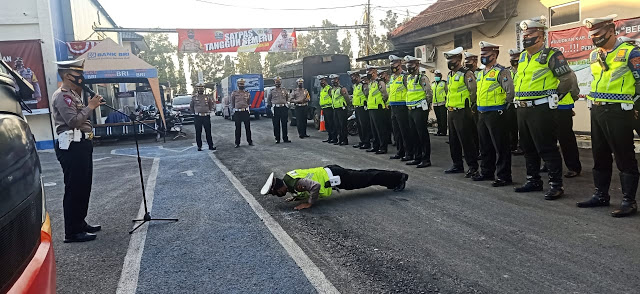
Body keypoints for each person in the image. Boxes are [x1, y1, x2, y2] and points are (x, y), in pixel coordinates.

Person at [577, 15, 640, 217]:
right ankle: (600, 195)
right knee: (599, 155)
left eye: (598, 34)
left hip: (619, 111)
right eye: (592, 35)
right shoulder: (594, 55)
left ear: (611, 31)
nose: (594, 38)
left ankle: (629, 201)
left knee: (624, 156)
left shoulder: (631, 52)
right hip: (597, 110)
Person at [513, 18, 579, 200]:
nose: (525, 37)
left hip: (541, 108)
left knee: (546, 147)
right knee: (527, 147)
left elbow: (567, 79)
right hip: (523, 108)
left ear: (541, 36)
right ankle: (533, 180)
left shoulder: (552, 55)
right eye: (524, 34)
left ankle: (556, 185)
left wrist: (553, 97)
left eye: (530, 35)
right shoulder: (524, 57)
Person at [51, 59, 104, 243]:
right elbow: (73, 121)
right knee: (74, 189)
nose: (81, 77)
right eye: (77, 74)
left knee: (83, 187)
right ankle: (72, 232)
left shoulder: (73, 94)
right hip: (71, 147)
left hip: (81, 144)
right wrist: (90, 106)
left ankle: (80, 223)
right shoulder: (62, 95)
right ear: (67, 75)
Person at [260, 165, 409, 210]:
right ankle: (394, 180)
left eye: (276, 193)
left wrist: (309, 203)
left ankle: (399, 177)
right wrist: (298, 197)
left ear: (279, 188)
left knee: (367, 178)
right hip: (332, 172)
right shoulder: (289, 179)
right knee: (365, 175)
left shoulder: (294, 183)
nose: (278, 195)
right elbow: (304, 186)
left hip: (335, 176)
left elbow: (315, 186)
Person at [473, 42, 514, 187]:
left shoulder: (502, 72)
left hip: (497, 112)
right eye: (481, 55)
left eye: (486, 55)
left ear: (494, 55)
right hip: (482, 112)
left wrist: (504, 107)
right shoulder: (481, 73)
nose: (483, 58)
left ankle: (503, 176)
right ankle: (486, 172)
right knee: (485, 145)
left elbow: (510, 92)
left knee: (501, 146)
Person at [443, 47, 479, 178]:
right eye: (448, 59)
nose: (449, 61)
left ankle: (473, 167)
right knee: (453, 140)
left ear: (458, 59)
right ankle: (457, 164)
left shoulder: (466, 73)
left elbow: (473, 91)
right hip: (451, 111)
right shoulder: (450, 74)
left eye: (451, 59)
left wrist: (468, 105)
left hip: (463, 112)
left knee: (466, 140)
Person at [404, 55, 433, 168]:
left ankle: (426, 159)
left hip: (420, 109)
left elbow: (429, 93)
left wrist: (426, 106)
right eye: (407, 65)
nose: (409, 67)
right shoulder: (409, 78)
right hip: (411, 109)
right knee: (414, 134)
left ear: (417, 65)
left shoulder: (422, 77)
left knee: (422, 135)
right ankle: (417, 157)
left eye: (411, 65)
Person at [387, 55, 415, 162]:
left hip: (402, 106)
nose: (392, 66)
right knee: (396, 131)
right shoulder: (392, 77)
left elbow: (409, 90)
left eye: (394, 64)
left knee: (405, 131)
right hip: (393, 106)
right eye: (391, 64)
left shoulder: (404, 76)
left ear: (400, 64)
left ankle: (409, 153)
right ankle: (400, 152)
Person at [366, 66, 390, 154]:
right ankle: (375, 146)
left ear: (374, 72)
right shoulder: (371, 83)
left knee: (380, 129)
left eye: (370, 71)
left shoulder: (380, 82)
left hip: (378, 108)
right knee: (374, 129)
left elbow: (385, 95)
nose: (368, 73)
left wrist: (381, 103)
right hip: (371, 108)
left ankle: (383, 147)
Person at [507, 49, 524, 155]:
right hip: (511, 103)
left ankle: (522, 146)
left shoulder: (523, 70)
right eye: (512, 59)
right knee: (511, 126)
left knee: (522, 127)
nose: (514, 61)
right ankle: (512, 145)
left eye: (516, 59)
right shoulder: (508, 71)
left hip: (520, 102)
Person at [349, 71, 371, 149]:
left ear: (358, 77)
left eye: (354, 77)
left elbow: (368, 95)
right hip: (357, 107)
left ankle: (367, 142)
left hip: (363, 108)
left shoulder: (363, 85)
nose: (352, 79)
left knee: (364, 125)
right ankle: (362, 141)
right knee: (359, 126)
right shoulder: (355, 86)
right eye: (351, 77)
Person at [190, 83, 215, 151]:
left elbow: (210, 105)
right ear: (197, 89)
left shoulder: (207, 97)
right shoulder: (194, 97)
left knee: (208, 132)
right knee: (198, 132)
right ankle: (199, 146)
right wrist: (194, 113)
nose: (201, 89)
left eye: (202, 88)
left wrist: (209, 111)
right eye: (199, 88)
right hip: (198, 117)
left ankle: (210, 145)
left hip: (206, 116)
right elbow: (191, 106)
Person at [267, 76, 290, 143]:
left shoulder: (284, 90)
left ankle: (285, 138)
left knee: (284, 123)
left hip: (283, 108)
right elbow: (269, 99)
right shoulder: (272, 91)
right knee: (276, 124)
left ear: (281, 83)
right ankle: (277, 138)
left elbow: (287, 97)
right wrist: (271, 106)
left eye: (279, 82)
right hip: (275, 108)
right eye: (276, 82)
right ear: (275, 83)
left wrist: (287, 104)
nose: (278, 84)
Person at [231, 78, 253, 148]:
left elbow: (248, 102)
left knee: (248, 128)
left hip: (245, 111)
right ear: (238, 85)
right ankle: (237, 143)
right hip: (238, 112)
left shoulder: (247, 93)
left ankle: (250, 141)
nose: (242, 85)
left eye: (243, 84)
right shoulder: (234, 93)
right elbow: (232, 103)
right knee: (238, 128)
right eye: (240, 84)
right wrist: (234, 109)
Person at [330, 74, 351, 145]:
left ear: (338, 80)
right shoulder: (333, 90)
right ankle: (340, 139)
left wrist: (347, 106)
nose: (333, 81)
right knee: (337, 125)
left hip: (341, 109)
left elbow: (347, 99)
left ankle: (344, 140)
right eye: (332, 80)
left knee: (343, 125)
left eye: (335, 80)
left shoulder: (342, 89)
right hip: (335, 109)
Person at [318, 75, 337, 143]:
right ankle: (330, 137)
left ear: (325, 81)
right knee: (327, 124)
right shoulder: (322, 89)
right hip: (324, 108)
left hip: (329, 108)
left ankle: (334, 138)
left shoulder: (329, 88)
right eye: (320, 81)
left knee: (331, 124)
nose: (321, 82)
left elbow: (332, 97)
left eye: (322, 81)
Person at [431, 69, 448, 136]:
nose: (436, 76)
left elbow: (447, 91)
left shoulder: (444, 83)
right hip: (435, 103)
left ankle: (443, 132)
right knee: (438, 118)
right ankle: (439, 130)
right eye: (435, 75)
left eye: (437, 75)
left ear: (440, 76)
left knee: (443, 118)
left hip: (442, 103)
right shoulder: (433, 84)